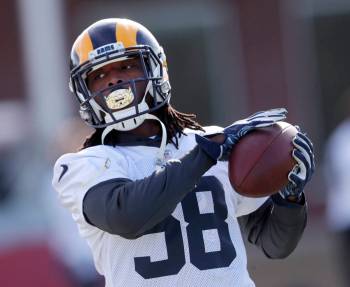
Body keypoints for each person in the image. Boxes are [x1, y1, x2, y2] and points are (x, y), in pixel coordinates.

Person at [52, 18, 315, 287]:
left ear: (156, 68)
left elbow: (275, 245)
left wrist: (290, 199)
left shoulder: (210, 143)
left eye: (127, 66)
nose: (114, 80)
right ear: (84, 91)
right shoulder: (83, 165)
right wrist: (208, 152)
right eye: (99, 76)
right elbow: (127, 216)